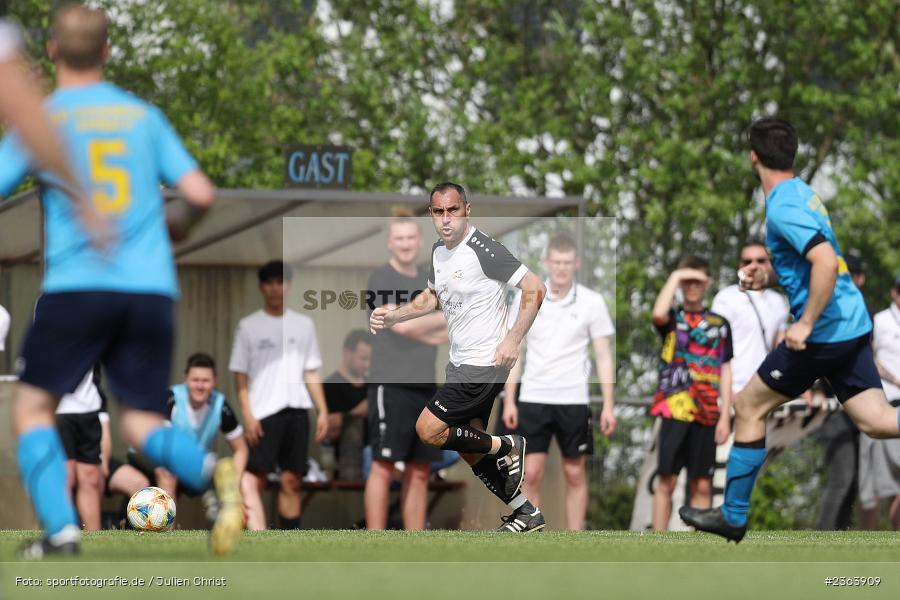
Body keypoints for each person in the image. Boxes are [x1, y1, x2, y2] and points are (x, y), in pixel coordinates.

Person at [0, 5, 239, 559]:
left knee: (34, 409)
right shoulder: (141, 117)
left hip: (78, 286)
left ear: (53, 52)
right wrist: (175, 226)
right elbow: (201, 194)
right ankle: (211, 470)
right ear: (108, 52)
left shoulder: (46, 118)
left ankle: (61, 534)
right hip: (150, 290)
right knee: (141, 419)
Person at [680, 117, 900, 542]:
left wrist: (805, 323)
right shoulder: (804, 193)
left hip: (824, 334)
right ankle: (734, 515)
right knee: (876, 421)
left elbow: (823, 263)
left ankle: (734, 515)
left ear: (753, 157)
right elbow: (810, 263)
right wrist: (769, 279)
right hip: (851, 324)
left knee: (747, 407)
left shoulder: (782, 205)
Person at [370, 181, 548, 532]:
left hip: (485, 364)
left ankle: (508, 445)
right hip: (460, 364)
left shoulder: (484, 248)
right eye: (438, 212)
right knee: (470, 450)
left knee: (429, 429)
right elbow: (433, 297)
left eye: (453, 210)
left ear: (467, 210)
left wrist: (512, 340)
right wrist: (396, 315)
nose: (446, 218)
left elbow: (535, 287)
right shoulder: (439, 251)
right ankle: (526, 512)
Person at [501, 233, 616, 530]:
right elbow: (517, 350)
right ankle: (529, 528)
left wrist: (608, 406)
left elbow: (604, 356)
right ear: (547, 262)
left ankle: (575, 536)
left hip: (574, 400)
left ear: (576, 263)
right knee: (532, 473)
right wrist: (510, 400)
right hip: (533, 398)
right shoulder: (527, 297)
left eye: (568, 262)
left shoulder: (593, 302)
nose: (562, 268)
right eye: (557, 262)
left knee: (575, 474)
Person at [230, 260, 329, 531]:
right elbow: (240, 375)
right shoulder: (248, 326)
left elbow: (311, 370)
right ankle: (257, 535)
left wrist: (322, 410)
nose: (276, 289)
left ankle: (290, 540)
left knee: (291, 480)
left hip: (297, 411)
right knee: (253, 478)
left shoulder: (304, 324)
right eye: (271, 283)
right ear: (263, 287)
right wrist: (248, 415)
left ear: (289, 286)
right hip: (263, 413)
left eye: (281, 282)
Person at [365, 210, 446, 530]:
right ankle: (375, 538)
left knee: (420, 467)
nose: (406, 243)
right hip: (390, 384)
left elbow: (453, 327)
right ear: (389, 243)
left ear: (421, 240)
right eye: (399, 238)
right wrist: (431, 324)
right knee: (384, 464)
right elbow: (396, 327)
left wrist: (411, 321)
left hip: (425, 385)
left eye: (411, 237)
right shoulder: (381, 279)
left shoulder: (432, 279)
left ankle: (415, 541)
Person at [650, 255, 733, 531]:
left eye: (698, 281)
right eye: (688, 281)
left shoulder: (720, 324)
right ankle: (657, 545)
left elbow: (726, 369)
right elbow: (657, 314)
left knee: (702, 482)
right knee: (667, 480)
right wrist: (676, 276)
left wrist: (724, 416)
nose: (693, 286)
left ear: (708, 282)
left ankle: (699, 548)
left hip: (708, 412)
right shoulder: (673, 319)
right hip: (674, 408)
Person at [155, 354, 248, 500]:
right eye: (195, 380)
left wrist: (233, 483)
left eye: (205, 381)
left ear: (214, 382)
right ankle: (165, 522)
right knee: (167, 474)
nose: (200, 386)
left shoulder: (220, 405)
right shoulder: (171, 399)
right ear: (185, 379)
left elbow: (241, 449)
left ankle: (227, 522)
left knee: (239, 482)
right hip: (157, 458)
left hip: (193, 465)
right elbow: (160, 443)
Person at [858, 275, 900, 529]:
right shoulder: (880, 320)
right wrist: (896, 380)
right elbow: (868, 358)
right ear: (894, 292)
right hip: (883, 406)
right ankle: (866, 539)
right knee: (871, 483)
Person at [55, 368, 105, 531]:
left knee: (90, 478)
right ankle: (62, 533)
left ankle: (94, 539)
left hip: (89, 410)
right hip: (59, 409)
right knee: (65, 478)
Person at [323, 330, 371, 481]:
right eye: (363, 359)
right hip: (348, 456)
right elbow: (329, 431)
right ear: (347, 353)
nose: (367, 365)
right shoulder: (330, 386)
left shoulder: (373, 386)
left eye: (370, 360)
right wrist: (360, 411)